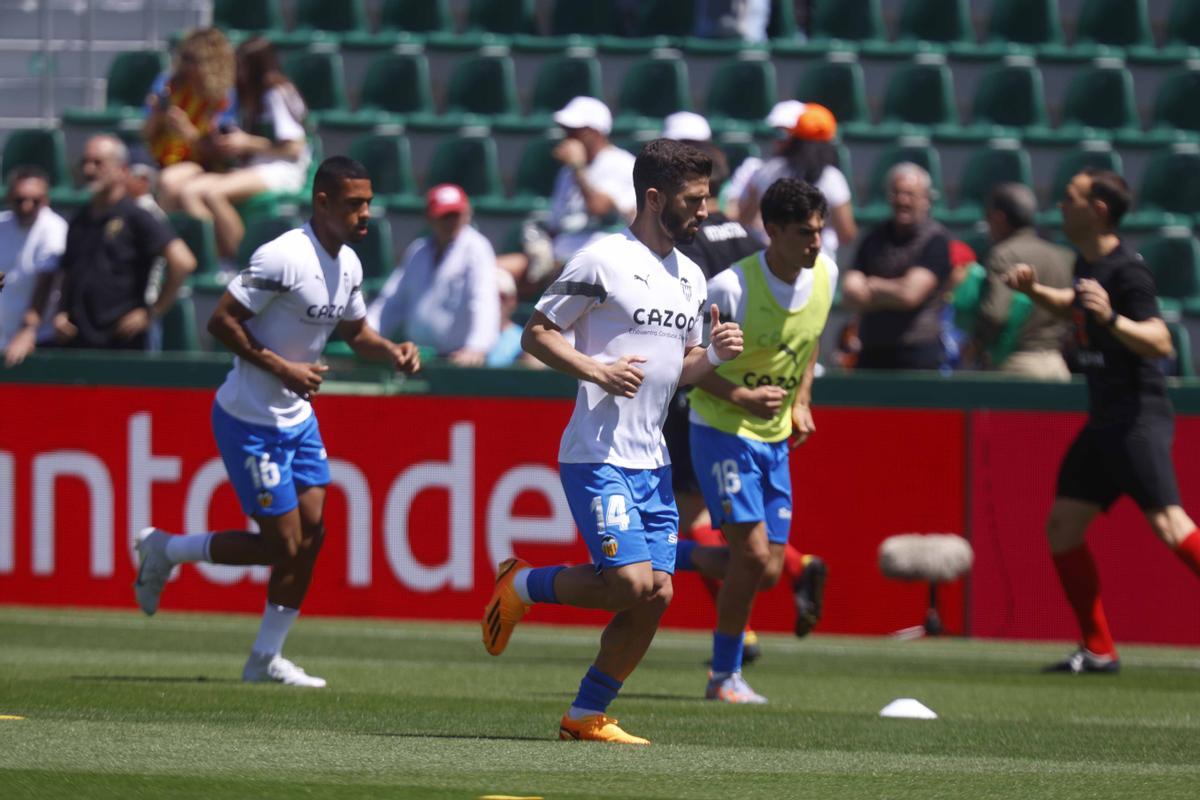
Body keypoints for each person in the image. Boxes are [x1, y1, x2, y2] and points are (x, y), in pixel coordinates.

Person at [481, 139, 743, 744]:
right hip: (597, 453)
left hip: (651, 458)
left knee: (657, 593)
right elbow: (537, 334)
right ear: (655, 198)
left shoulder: (690, 275)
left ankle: (586, 714)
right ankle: (519, 585)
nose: (705, 210)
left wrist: (716, 356)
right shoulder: (602, 262)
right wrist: (596, 370)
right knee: (628, 584)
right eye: (694, 199)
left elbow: (680, 369)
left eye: (708, 198)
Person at [132, 156, 421, 687]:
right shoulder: (283, 256)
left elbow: (357, 335)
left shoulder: (349, 264)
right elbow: (220, 322)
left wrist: (393, 351)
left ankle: (264, 659)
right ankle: (166, 549)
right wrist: (282, 367)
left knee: (312, 536)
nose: (366, 214)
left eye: (369, 202)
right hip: (249, 416)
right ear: (323, 202)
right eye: (355, 203)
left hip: (297, 419)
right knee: (281, 545)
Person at [1004, 169, 1200, 674]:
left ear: (1099, 210)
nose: (1060, 206)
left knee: (1170, 525)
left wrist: (1113, 320)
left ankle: (1097, 648)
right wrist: (1034, 291)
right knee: (1063, 527)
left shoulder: (1128, 272)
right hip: (1104, 419)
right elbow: (1076, 302)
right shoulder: (1086, 262)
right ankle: (1098, 648)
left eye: (1070, 199)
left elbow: (1160, 341)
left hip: (1137, 416)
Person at [674, 178, 835, 702]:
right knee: (752, 554)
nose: (814, 243)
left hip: (775, 436)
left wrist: (802, 401)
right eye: (802, 234)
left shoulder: (826, 275)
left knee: (765, 570)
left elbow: (807, 346)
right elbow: (684, 368)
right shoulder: (731, 289)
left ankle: (656, 554)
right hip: (722, 428)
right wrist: (740, 398)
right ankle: (724, 676)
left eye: (819, 231)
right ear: (771, 232)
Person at [48, 135, 196, 352]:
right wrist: (61, 313)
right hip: (77, 342)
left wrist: (151, 312)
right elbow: (68, 272)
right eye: (85, 162)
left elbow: (183, 262)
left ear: (121, 170)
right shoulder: (80, 219)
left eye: (98, 163)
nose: (89, 170)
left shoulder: (137, 217)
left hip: (122, 344)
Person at [175, 37, 312, 260]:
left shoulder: (277, 93)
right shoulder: (245, 95)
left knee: (214, 194)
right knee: (189, 192)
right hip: (256, 167)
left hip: (284, 170)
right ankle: (213, 260)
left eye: (243, 64)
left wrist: (246, 142)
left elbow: (294, 148)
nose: (238, 70)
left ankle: (241, 263)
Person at [497, 97, 637, 286]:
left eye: (576, 131)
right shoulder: (567, 171)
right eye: (567, 131)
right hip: (560, 257)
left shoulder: (620, 163)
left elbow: (599, 208)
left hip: (598, 259)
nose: (568, 137)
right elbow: (557, 223)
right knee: (493, 273)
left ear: (595, 132)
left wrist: (579, 169)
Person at [367, 184, 499, 366]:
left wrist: (476, 347)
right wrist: (368, 332)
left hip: (458, 359)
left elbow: (483, 299)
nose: (451, 222)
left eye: (456, 214)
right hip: (418, 357)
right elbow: (393, 300)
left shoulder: (477, 248)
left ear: (467, 214)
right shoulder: (418, 250)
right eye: (445, 216)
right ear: (430, 218)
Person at [840, 162, 951, 370]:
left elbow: (910, 294)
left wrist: (871, 285)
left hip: (918, 352)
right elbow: (849, 292)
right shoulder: (873, 238)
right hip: (872, 350)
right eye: (897, 193)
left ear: (926, 200)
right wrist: (895, 290)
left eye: (910, 194)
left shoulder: (936, 240)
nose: (902, 200)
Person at [736, 103, 856, 265]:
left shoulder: (768, 170)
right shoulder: (832, 178)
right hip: (817, 262)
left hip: (771, 260)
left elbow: (744, 219)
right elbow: (846, 233)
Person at [975, 183, 1074, 379]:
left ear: (999, 217)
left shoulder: (1003, 254)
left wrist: (976, 343)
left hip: (1016, 366)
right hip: (1058, 366)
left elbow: (996, 314)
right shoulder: (1063, 255)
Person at [144, 27, 237, 206]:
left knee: (169, 182)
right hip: (161, 156)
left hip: (204, 164)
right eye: (184, 58)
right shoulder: (168, 84)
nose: (186, 66)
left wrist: (188, 132)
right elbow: (146, 135)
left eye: (193, 60)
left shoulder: (224, 97)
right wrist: (156, 117)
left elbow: (221, 153)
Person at [1, 167, 67, 367]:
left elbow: (46, 282)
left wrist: (28, 330)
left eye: (35, 200)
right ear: (9, 197)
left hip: (37, 342)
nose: (27, 206)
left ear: (46, 200)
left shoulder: (54, 228)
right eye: (20, 200)